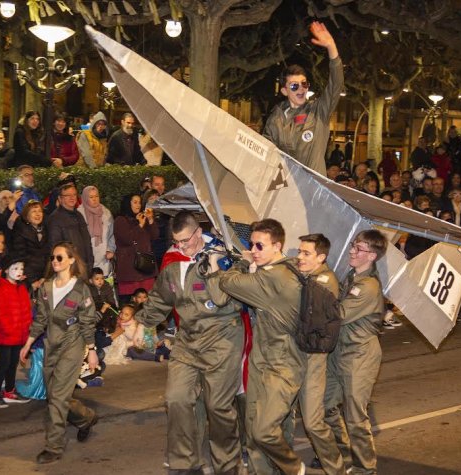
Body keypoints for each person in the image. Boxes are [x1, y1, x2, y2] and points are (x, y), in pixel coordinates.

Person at [133, 211, 244, 474]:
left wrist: (216, 266)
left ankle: (228, 466)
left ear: (197, 233)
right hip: (187, 340)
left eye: (185, 240)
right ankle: (185, 463)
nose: (181, 246)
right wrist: (143, 324)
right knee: (176, 398)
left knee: (218, 407)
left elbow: (223, 299)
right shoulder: (173, 262)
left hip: (222, 339)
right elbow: (160, 299)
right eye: (176, 241)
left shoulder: (224, 255)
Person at [218, 218, 306, 474]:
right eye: (251, 245)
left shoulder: (276, 277)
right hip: (263, 359)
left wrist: (243, 261)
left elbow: (228, 283)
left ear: (277, 246)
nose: (253, 250)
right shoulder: (279, 270)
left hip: (282, 363)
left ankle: (293, 468)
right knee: (255, 430)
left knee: (263, 431)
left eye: (259, 246)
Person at [20, 242, 99, 465]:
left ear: (71, 260)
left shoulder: (80, 289)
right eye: (53, 258)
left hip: (73, 345)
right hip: (51, 344)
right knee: (55, 395)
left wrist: (91, 350)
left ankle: (53, 446)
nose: (55, 261)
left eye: (60, 258)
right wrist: (28, 343)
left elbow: (88, 322)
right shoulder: (45, 287)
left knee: (57, 398)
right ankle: (86, 418)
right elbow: (41, 319)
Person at [323, 230, 386, 475]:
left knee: (355, 416)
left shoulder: (368, 286)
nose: (351, 251)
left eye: (358, 248)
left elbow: (338, 314)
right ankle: (343, 450)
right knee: (326, 406)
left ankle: (365, 468)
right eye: (352, 245)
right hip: (340, 352)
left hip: (359, 355)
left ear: (371, 255)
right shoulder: (352, 276)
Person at [294, 233, 345, 475]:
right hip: (299, 355)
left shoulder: (323, 282)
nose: (299, 257)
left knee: (313, 421)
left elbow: (302, 307)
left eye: (306, 253)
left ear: (321, 257)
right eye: (299, 251)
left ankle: (337, 468)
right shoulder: (309, 276)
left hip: (313, 357)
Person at [263, 21, 343, 176]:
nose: (301, 89)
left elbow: (335, 85)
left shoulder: (318, 112)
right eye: (294, 86)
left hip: (313, 192)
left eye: (304, 84)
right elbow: (265, 153)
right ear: (284, 91)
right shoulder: (275, 119)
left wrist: (331, 47)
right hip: (286, 190)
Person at [0, 256, 33, 406]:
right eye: (15, 268)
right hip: (6, 335)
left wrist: (27, 329)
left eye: (21, 268)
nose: (19, 271)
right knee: (4, 364)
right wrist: (8, 329)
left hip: (19, 335)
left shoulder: (21, 287)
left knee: (13, 363)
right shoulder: (2, 288)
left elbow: (27, 310)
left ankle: (9, 390)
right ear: (6, 270)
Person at [113, 193, 159, 301]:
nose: (138, 205)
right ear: (127, 204)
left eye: (139, 202)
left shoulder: (143, 219)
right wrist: (139, 225)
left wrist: (151, 220)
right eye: (135, 202)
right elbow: (128, 239)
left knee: (148, 301)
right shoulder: (120, 220)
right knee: (130, 303)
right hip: (130, 269)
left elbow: (154, 235)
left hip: (146, 266)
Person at [46, 184, 94, 274]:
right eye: (67, 195)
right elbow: (55, 247)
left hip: (84, 267)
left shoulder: (79, 215)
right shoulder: (55, 219)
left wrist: (90, 265)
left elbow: (87, 241)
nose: (72, 198)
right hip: (69, 270)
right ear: (60, 199)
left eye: (74, 194)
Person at [77, 186, 116, 276]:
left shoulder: (106, 212)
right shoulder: (79, 214)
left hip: (104, 259)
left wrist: (110, 249)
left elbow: (112, 234)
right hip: (86, 259)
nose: (94, 199)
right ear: (85, 198)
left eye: (96, 196)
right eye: (91, 197)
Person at [11, 200, 49, 291]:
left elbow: (48, 254)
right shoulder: (20, 231)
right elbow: (21, 256)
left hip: (44, 276)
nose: (38, 214)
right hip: (28, 277)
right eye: (34, 211)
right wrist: (32, 280)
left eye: (40, 211)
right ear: (26, 215)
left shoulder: (45, 229)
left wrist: (45, 276)